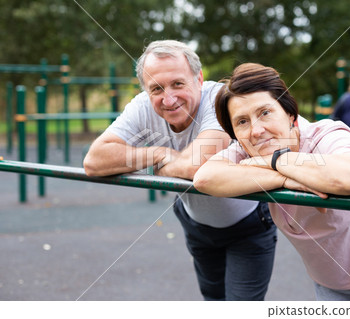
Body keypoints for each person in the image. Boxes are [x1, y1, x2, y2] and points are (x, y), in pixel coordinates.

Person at [193, 63, 350, 301]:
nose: (256, 130)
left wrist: (275, 160)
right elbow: (204, 178)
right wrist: (285, 177)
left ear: (290, 115)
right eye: (242, 122)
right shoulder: (247, 150)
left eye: (265, 112)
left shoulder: (325, 135)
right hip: (332, 277)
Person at [83, 41, 277, 301]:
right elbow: (94, 161)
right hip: (197, 224)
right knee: (213, 300)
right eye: (156, 88)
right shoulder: (142, 106)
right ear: (145, 90)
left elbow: (197, 164)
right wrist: (158, 153)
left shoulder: (221, 99)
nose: (169, 98)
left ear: (198, 78)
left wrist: (164, 169)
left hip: (248, 225)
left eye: (178, 83)